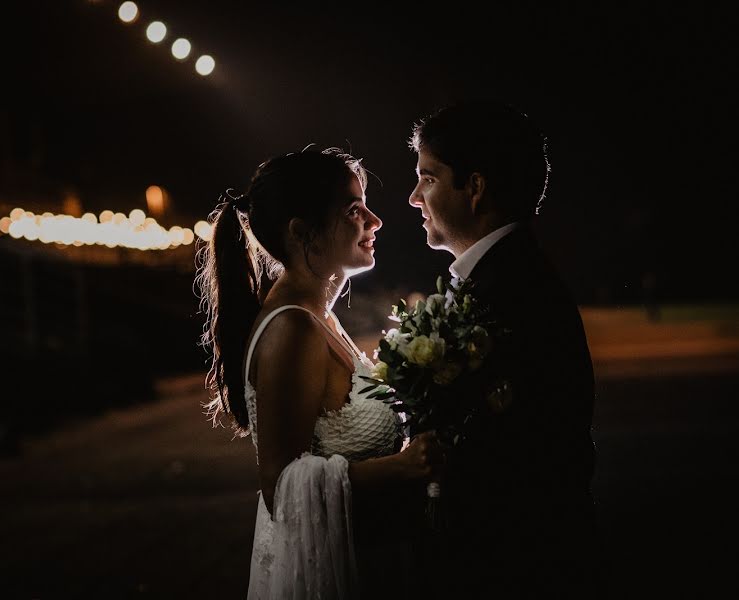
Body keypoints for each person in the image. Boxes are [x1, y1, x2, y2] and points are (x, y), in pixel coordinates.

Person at [197, 147, 441, 599]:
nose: (374, 220)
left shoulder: (320, 316)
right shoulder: (292, 327)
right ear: (302, 233)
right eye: (353, 209)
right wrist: (402, 467)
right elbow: (280, 486)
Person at [407, 101, 600, 598]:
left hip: (509, 566)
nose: (414, 197)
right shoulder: (496, 279)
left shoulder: (512, 293)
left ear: (474, 187)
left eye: (428, 179)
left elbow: (527, 459)